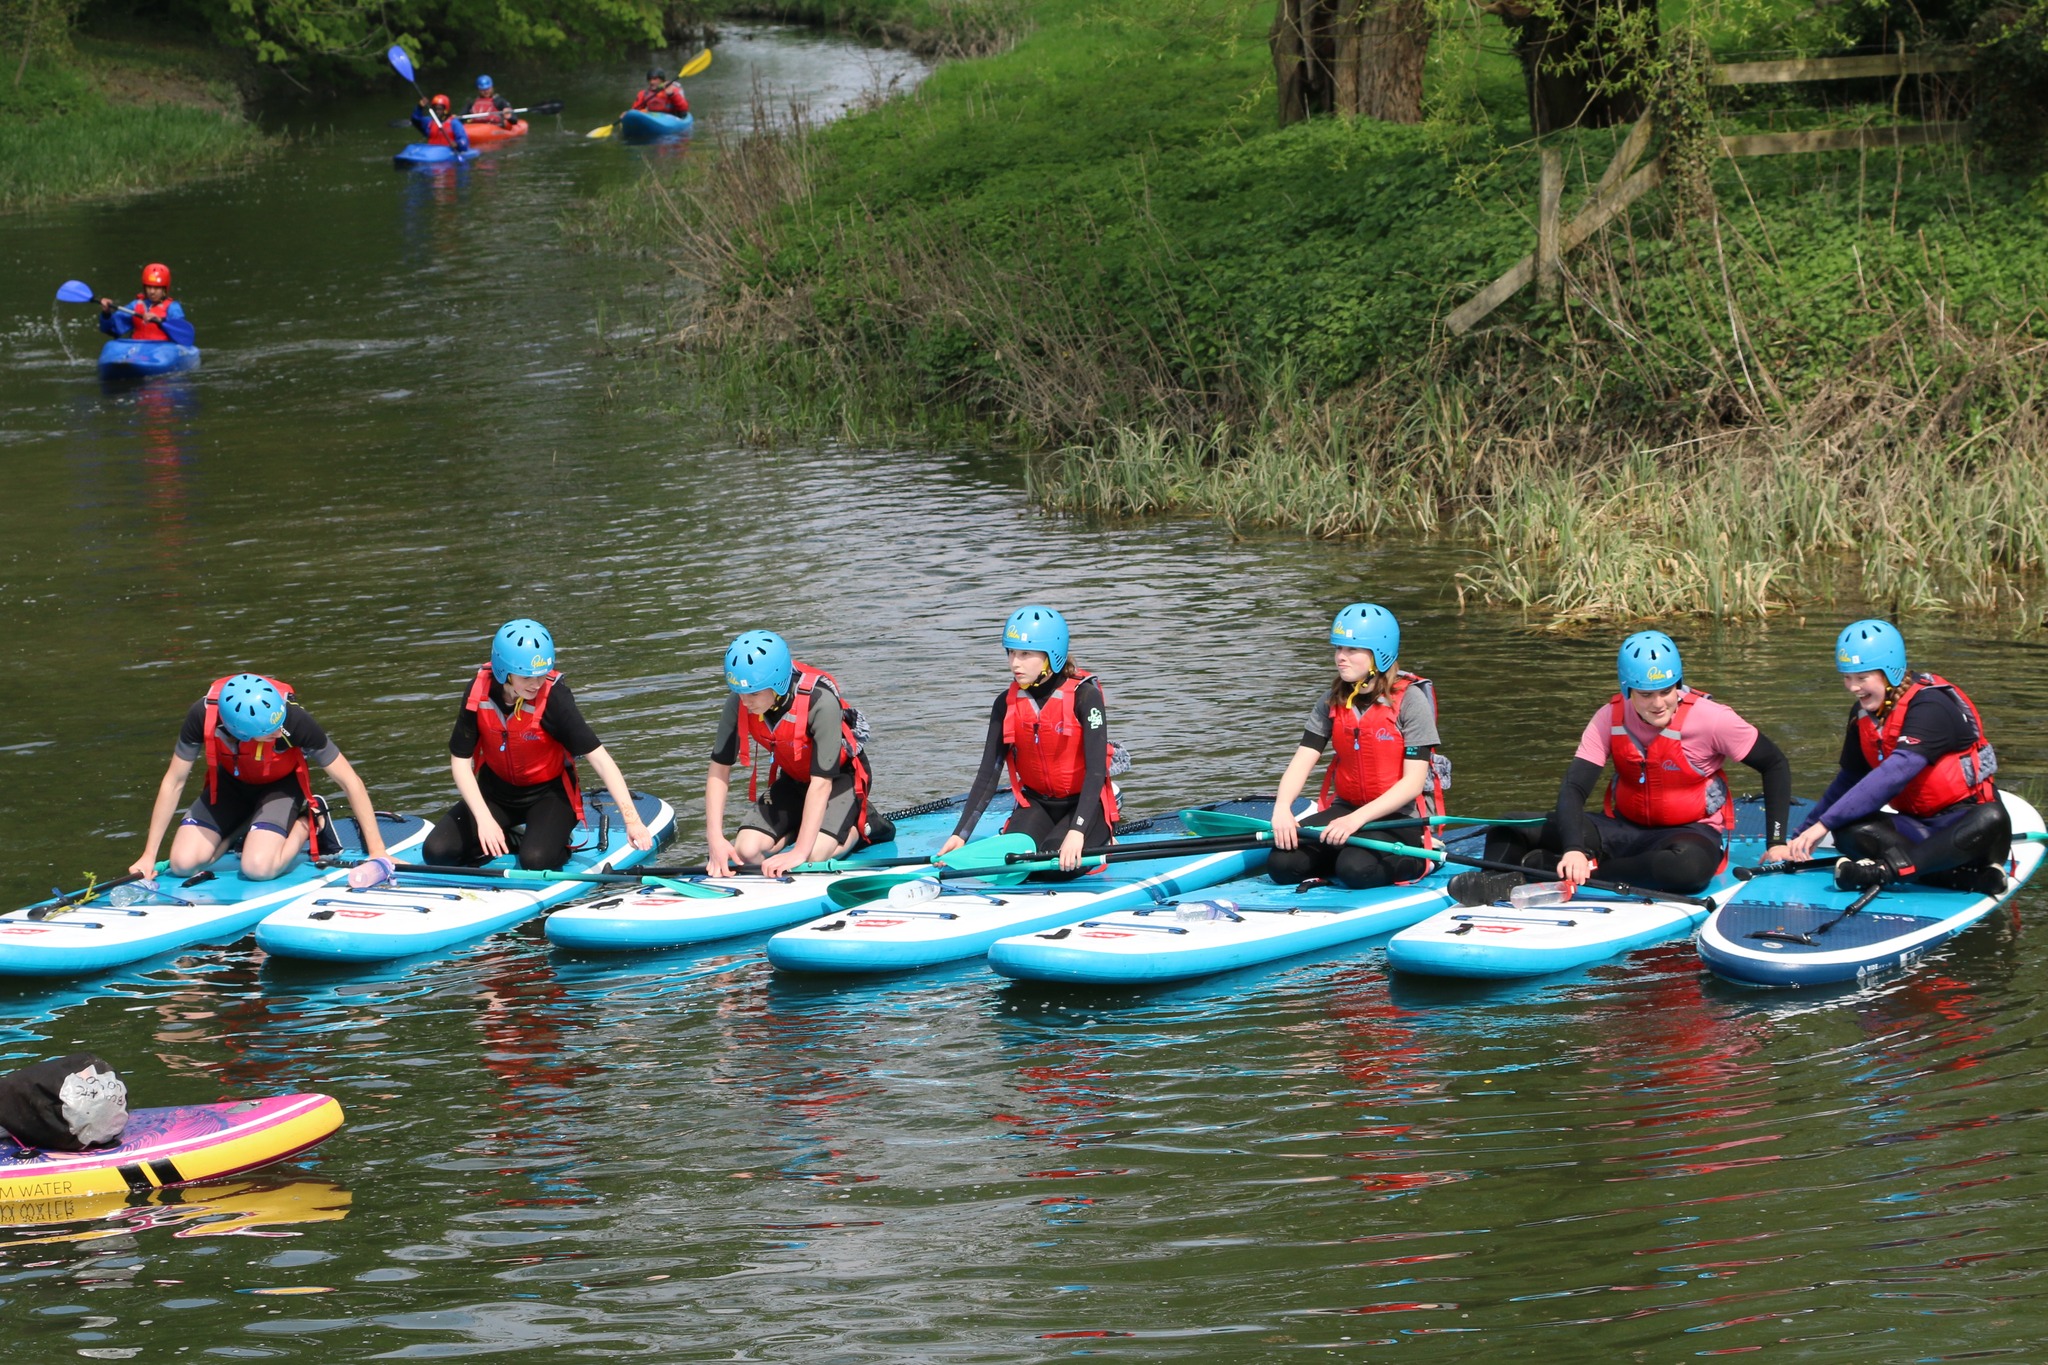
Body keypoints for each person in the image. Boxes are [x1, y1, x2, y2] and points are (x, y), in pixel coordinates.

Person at [1461, 630, 1793, 898]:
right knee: (1506, 824)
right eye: (1646, 694)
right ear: (1627, 689)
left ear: (1678, 683)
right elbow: (1575, 788)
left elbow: (1774, 764)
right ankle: (1493, 883)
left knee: (1687, 871)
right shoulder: (1608, 717)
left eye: (1666, 690)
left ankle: (1569, 871)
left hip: (1688, 835)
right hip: (1620, 830)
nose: (1659, 703)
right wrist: (1574, 847)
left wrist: (1776, 843)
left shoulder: (1714, 719)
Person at [1782, 619, 2009, 894]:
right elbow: (1849, 780)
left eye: (1862, 677)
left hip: (1965, 829)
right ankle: (1957, 878)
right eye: (1847, 677)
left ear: (1890, 672)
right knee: (1846, 827)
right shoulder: (1863, 714)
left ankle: (1883, 871)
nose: (1853, 687)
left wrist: (1823, 825)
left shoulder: (1930, 706)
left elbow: (1896, 772)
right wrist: (1801, 837)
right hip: (1919, 832)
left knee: (1993, 816)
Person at [421, 619, 653, 871]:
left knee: (535, 861)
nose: (536, 684)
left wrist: (632, 821)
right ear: (503, 671)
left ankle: (555, 840)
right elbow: (460, 762)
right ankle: (510, 838)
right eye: (526, 677)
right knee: (437, 853)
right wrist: (484, 819)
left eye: (542, 674)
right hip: (495, 793)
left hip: (549, 795)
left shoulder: (555, 698)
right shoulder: (477, 692)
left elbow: (601, 760)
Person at [128, 673, 391, 882]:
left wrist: (377, 850)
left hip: (281, 788)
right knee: (183, 864)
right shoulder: (201, 715)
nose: (280, 733)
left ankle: (309, 821)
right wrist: (148, 855)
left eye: (280, 725)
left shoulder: (294, 719)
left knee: (258, 869)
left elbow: (350, 781)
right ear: (240, 732)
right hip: (231, 787)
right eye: (270, 732)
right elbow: (174, 782)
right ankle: (245, 826)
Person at [1265, 604, 1448, 889]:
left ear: (1379, 654)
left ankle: (1428, 856)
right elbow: (1302, 760)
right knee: (1282, 865)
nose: (1340, 658)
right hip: (1346, 808)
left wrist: (1355, 821)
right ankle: (1340, 858)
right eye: (1338, 648)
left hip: (1398, 817)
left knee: (1354, 868)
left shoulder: (1411, 702)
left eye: (1352, 650)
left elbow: (1412, 785)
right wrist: (1282, 809)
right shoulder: (1331, 700)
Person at [936, 606, 1120, 877]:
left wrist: (1077, 831)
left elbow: (1095, 771)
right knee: (1019, 867)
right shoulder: (1005, 703)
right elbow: (988, 774)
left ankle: (1102, 838)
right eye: (1011, 652)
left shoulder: (1085, 697)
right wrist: (960, 835)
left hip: (1083, 804)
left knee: (1054, 865)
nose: (1014, 663)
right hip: (1037, 803)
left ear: (1051, 656)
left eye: (1025, 654)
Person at [704, 630, 889, 878]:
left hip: (838, 781)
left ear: (778, 682)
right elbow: (719, 769)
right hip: (793, 780)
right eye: (740, 693)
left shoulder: (820, 701)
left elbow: (821, 784)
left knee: (814, 856)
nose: (745, 702)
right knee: (746, 851)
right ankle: (801, 825)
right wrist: (715, 839)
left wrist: (799, 851)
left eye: (754, 694)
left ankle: (864, 823)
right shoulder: (739, 701)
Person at [98, 263, 189, 343]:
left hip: (163, 350)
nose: (152, 292)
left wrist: (159, 320)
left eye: (157, 288)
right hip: (137, 348)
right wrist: (106, 314)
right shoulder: (135, 305)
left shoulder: (173, 307)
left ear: (165, 289)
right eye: (149, 287)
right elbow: (111, 329)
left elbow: (181, 332)